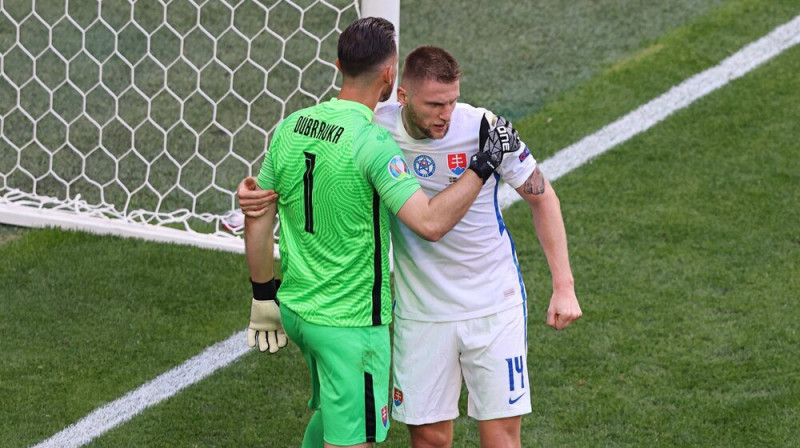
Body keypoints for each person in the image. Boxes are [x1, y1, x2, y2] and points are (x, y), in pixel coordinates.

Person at [242, 19, 519, 448]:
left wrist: (262, 294)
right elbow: (428, 223)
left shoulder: (291, 127)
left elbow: (257, 213)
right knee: (355, 438)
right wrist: (482, 165)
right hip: (351, 323)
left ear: (338, 64)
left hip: (296, 310)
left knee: (333, 413)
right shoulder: (373, 142)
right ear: (391, 76)